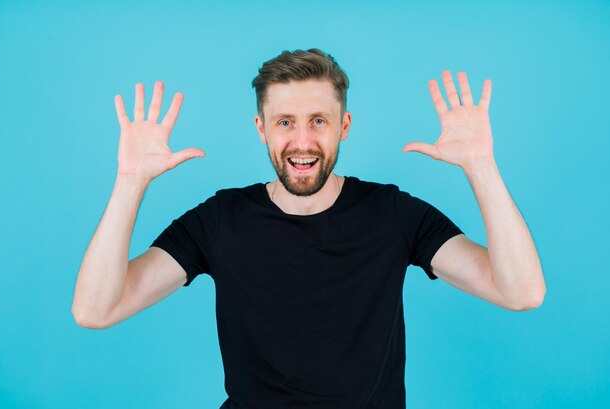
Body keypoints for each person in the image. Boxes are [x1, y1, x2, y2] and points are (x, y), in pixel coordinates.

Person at [72, 49, 546, 408]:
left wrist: (481, 165)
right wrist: (130, 181)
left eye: (319, 121)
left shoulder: (393, 213)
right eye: (285, 122)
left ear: (344, 125)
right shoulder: (220, 220)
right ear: (261, 128)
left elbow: (520, 292)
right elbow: (97, 309)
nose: (303, 142)